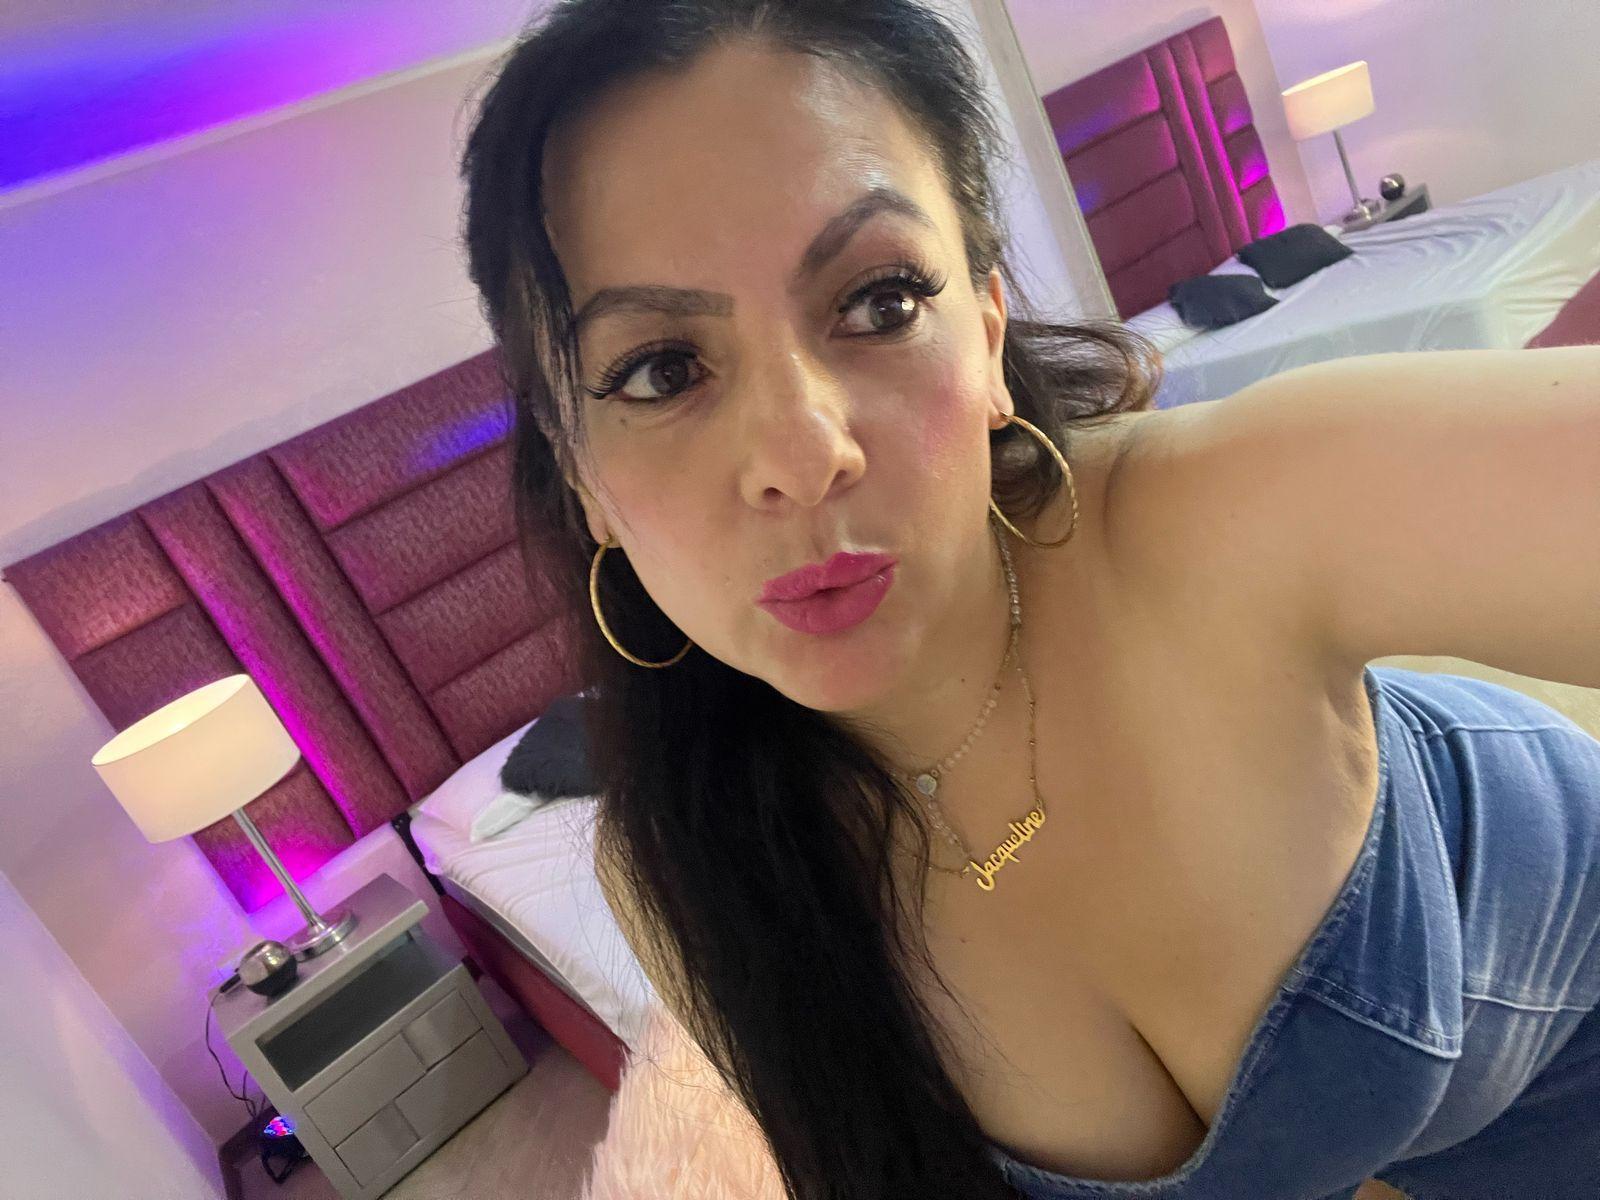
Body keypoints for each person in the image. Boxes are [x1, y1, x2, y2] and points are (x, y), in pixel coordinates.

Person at [458, 2, 1600, 1196]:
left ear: (989, 326)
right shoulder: (689, 866)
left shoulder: (1222, 523)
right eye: (660, 370)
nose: (801, 454)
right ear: (579, 473)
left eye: (880, 300)